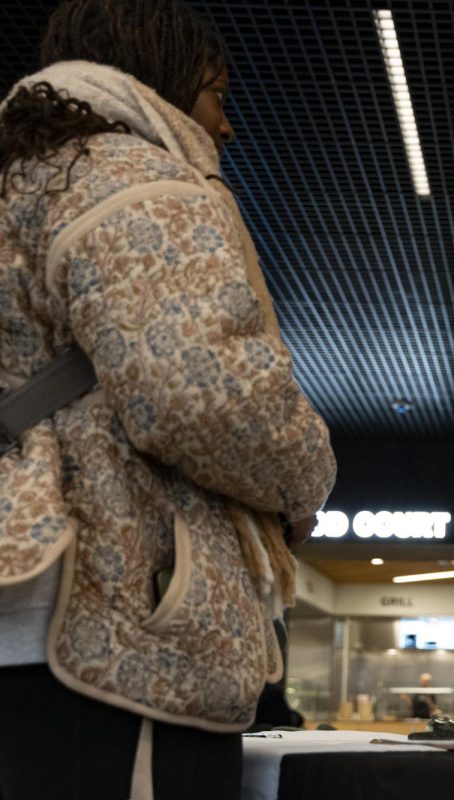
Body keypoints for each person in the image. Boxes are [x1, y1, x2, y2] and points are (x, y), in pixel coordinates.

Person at [0, 1, 337, 797]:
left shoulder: (24, 175)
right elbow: (199, 394)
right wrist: (308, 478)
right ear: (162, 75)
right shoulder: (128, 173)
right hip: (118, 624)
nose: (225, 125)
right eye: (217, 93)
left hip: (31, 603)